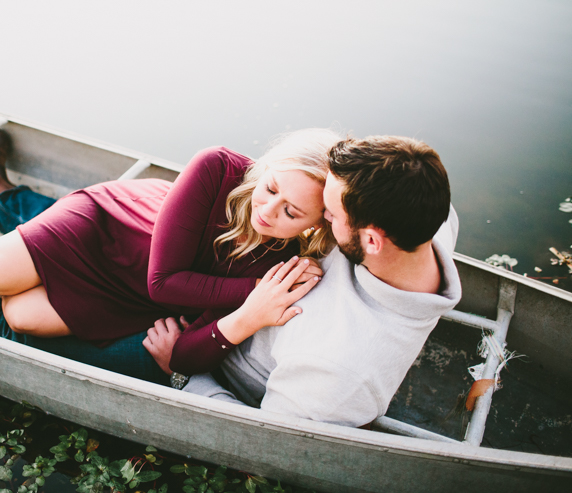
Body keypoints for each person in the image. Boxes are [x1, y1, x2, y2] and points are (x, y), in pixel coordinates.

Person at [0, 128, 340, 385]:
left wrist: (241, 315)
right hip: (118, 221)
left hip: (133, 288)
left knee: (21, 314)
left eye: (291, 211)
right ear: (265, 167)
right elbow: (166, 284)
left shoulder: (280, 262)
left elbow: (183, 353)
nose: (267, 211)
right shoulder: (219, 167)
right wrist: (252, 300)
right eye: (269, 188)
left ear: (318, 223)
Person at [146, 135, 462, 427]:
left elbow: (259, 442)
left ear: (371, 241)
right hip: (222, 291)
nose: (321, 220)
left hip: (199, 353)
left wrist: (184, 379)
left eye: (331, 215)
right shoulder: (432, 214)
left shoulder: (338, 375)